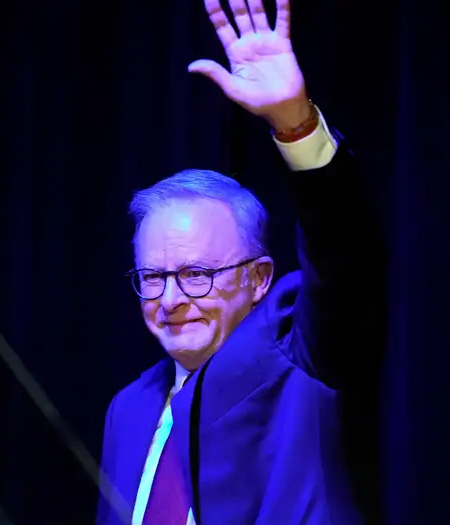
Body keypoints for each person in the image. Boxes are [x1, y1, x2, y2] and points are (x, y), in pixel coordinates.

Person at [95, 0, 383, 523]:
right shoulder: (129, 409)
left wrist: (295, 124)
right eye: (153, 277)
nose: (170, 299)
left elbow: (344, 256)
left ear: (258, 278)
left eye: (196, 275)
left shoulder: (300, 357)